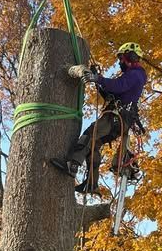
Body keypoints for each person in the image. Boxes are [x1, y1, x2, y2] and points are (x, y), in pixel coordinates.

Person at [51, 42, 147, 195]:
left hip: (116, 118)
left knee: (90, 134)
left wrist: (99, 79)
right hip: (119, 119)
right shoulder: (133, 75)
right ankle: (91, 184)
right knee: (94, 145)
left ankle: (73, 164)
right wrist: (98, 83)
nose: (120, 62)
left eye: (122, 58)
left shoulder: (136, 74)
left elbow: (118, 86)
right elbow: (112, 94)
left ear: (131, 56)